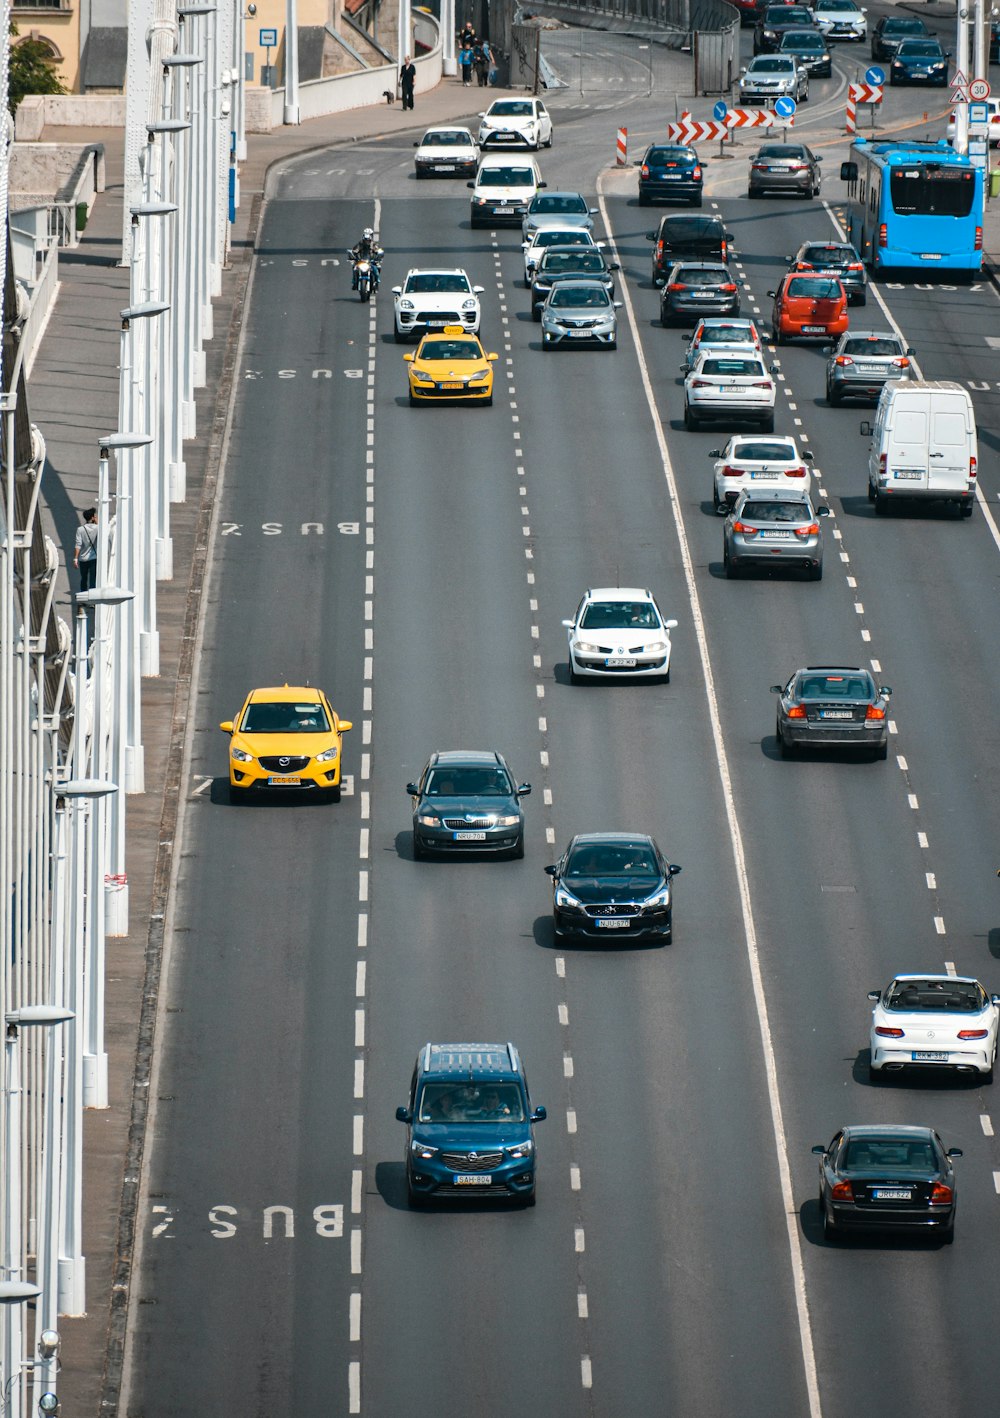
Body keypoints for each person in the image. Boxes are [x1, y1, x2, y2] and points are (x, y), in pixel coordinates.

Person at [73, 507, 98, 593]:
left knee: (83, 578)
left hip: (83, 559)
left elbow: (78, 544)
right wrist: (97, 522)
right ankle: (92, 599)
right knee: (92, 579)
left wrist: (75, 558)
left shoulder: (80, 529)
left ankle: (83, 597)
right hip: (93, 558)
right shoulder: (98, 528)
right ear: (92, 518)